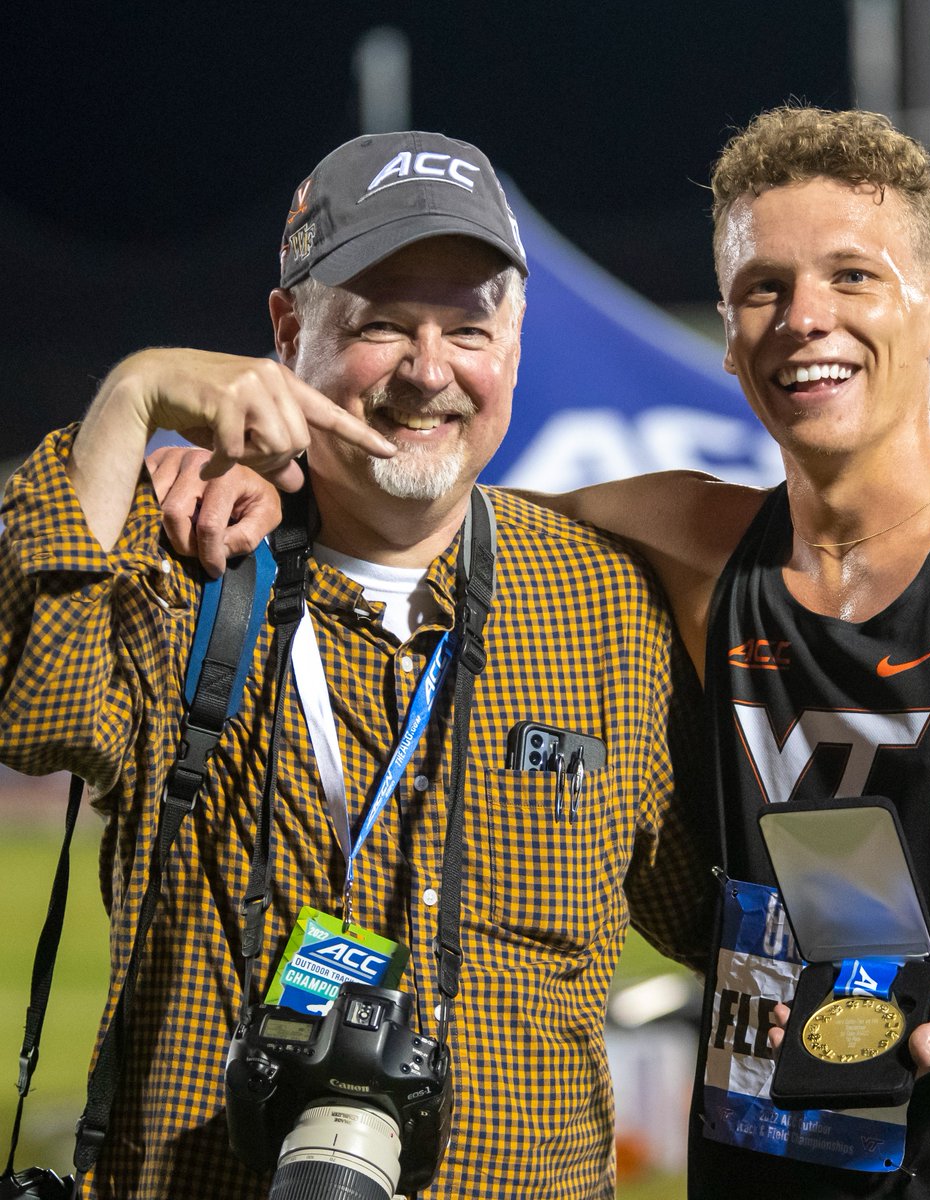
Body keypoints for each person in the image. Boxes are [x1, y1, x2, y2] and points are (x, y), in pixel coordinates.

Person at [169, 105, 930, 1197]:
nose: (807, 318)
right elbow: (427, 498)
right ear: (728, 330)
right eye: (767, 288)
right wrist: (267, 482)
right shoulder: (691, 542)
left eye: (853, 276)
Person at [0, 130, 714, 1200]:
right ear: (288, 331)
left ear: (515, 345)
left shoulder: (604, 602)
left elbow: (712, 913)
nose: (431, 372)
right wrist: (136, 394)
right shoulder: (188, 559)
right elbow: (34, 708)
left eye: (469, 329)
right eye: (382, 325)